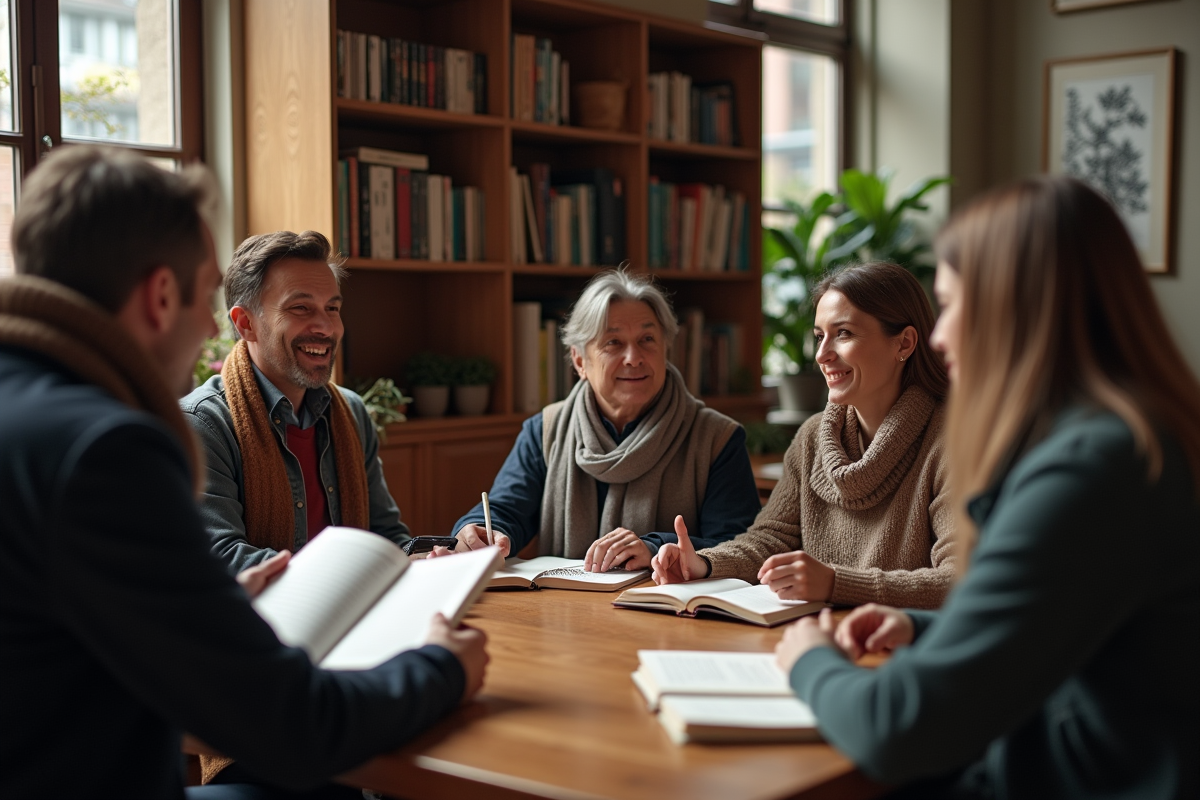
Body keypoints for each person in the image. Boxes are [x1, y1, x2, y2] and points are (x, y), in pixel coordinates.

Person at [0, 146, 488, 800]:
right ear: (158, 295)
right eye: (204, 299)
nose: (207, 326)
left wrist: (219, 604)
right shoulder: (106, 450)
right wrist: (440, 668)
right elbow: (295, 724)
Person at [776, 176, 1200, 799]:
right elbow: (1076, 633)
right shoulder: (1132, 436)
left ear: (1016, 305)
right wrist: (923, 630)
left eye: (950, 304)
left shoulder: (1090, 471)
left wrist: (809, 661)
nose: (940, 337)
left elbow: (900, 730)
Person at [652, 261, 955, 609]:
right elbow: (771, 539)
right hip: (812, 635)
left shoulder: (951, 441)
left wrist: (835, 584)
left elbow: (960, 580)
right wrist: (705, 564)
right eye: (819, 336)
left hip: (896, 649)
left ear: (904, 343)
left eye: (843, 333)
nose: (822, 355)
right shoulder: (813, 437)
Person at [434, 268, 761, 571]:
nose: (633, 358)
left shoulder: (717, 438)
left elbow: (739, 548)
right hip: (565, 613)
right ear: (580, 361)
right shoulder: (545, 430)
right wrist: (478, 532)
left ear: (665, 348)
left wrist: (655, 548)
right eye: (613, 343)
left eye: (647, 340)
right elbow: (506, 511)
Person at [182, 231, 411, 576]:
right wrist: (351, 574)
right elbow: (223, 559)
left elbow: (387, 537)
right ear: (245, 324)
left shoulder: (350, 412)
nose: (325, 327)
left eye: (332, 308)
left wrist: (430, 557)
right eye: (301, 308)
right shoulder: (204, 424)